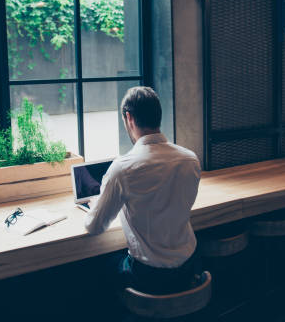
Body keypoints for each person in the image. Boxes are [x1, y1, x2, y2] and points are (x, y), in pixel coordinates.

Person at [84, 86, 201, 295]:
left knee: (97, 268)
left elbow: (94, 226)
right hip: (189, 267)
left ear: (129, 118)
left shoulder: (123, 168)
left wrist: (100, 203)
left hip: (149, 277)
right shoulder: (190, 159)